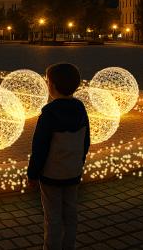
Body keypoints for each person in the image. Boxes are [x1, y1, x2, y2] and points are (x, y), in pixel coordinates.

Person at [27, 63, 90, 250]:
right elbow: (86, 141)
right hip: (73, 173)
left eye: (47, 82)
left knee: (52, 217)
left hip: (51, 176)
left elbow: (39, 147)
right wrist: (79, 162)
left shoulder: (48, 113)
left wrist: (33, 174)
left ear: (52, 86)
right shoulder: (80, 108)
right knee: (71, 213)